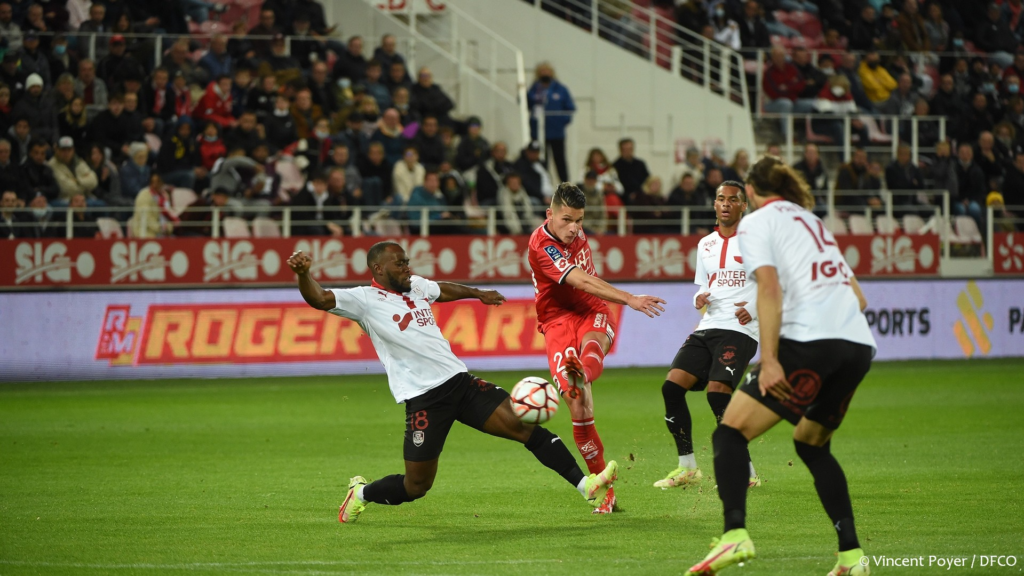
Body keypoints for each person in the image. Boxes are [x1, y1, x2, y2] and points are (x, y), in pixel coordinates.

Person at [286, 243, 619, 522]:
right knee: (416, 486)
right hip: (424, 401)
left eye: (407, 262)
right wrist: (303, 274)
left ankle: (584, 486)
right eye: (399, 264)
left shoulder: (415, 285)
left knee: (526, 427)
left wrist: (477, 294)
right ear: (377, 269)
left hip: (461, 384)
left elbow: (442, 289)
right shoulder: (363, 301)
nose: (407, 267)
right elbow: (319, 298)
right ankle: (361, 493)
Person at [685, 155, 875, 576]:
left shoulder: (756, 223)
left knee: (730, 433)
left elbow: (768, 288)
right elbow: (859, 299)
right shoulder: (813, 222)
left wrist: (770, 359)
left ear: (750, 192)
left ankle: (734, 535)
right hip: (858, 346)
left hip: (811, 342)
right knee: (810, 443)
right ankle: (852, 557)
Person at [528, 183, 666, 514]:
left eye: (578, 220)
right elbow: (581, 280)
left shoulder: (572, 232)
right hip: (557, 321)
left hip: (592, 310)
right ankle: (605, 491)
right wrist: (630, 298)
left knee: (593, 347)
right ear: (550, 215)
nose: (574, 228)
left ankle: (582, 371)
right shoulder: (542, 246)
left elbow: (589, 289)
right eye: (566, 220)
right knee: (579, 408)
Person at [655, 180, 760, 491]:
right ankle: (687, 467)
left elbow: (773, 282)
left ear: (743, 206)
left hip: (740, 329)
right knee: (671, 388)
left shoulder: (756, 242)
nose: (725, 204)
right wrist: (697, 299)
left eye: (732, 199)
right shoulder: (705, 245)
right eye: (720, 199)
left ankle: (745, 469)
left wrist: (752, 308)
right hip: (708, 326)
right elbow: (705, 285)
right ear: (715, 204)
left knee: (717, 392)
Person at [527, 62, 574, 182]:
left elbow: (570, 108)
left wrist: (561, 121)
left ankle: (566, 189)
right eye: (542, 71)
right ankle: (544, 188)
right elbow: (525, 104)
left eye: (547, 71)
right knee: (542, 162)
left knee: (560, 161)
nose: (545, 73)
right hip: (539, 133)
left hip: (557, 133)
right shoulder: (534, 89)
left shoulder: (561, 89)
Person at [48, 136, 98, 202]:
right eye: (63, 150)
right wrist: (85, 185)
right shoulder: (52, 164)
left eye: (69, 150)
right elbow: (67, 188)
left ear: (73, 150)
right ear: (57, 150)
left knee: (101, 205)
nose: (66, 153)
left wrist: (77, 181)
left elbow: (94, 181)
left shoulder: (78, 161)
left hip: (84, 198)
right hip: (64, 200)